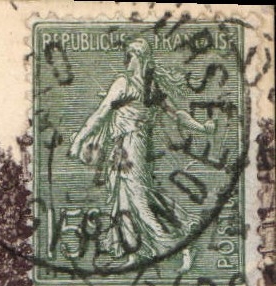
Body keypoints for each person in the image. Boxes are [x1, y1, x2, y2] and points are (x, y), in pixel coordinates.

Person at [67, 36, 215, 270]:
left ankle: (182, 245)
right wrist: (201, 127)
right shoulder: (148, 87)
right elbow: (177, 114)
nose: (127, 59)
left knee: (138, 200)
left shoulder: (126, 84)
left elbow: (101, 114)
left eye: (130, 54)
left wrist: (79, 139)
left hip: (131, 146)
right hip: (124, 148)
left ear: (139, 57)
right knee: (128, 197)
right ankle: (134, 251)